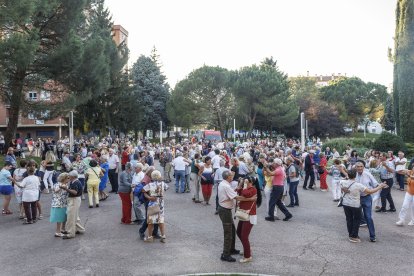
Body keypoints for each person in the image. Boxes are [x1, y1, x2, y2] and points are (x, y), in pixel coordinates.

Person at [217, 170, 256, 262]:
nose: (232, 176)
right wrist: (251, 199)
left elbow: (234, 192)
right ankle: (225, 254)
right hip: (225, 210)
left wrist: (240, 185)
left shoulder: (223, 183)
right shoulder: (226, 186)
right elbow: (237, 197)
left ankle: (231, 249)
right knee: (228, 233)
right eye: (231, 175)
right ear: (228, 177)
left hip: (224, 209)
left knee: (232, 230)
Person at [340, 169, 387, 243]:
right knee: (356, 220)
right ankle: (354, 236)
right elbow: (370, 191)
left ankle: (351, 235)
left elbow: (342, 189)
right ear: (355, 175)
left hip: (346, 204)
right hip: (355, 204)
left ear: (348, 175)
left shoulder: (342, 182)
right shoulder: (358, 185)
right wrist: (380, 186)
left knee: (349, 219)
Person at [236, 176, 262, 263]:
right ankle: (247, 248)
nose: (245, 182)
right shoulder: (246, 187)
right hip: (244, 214)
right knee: (239, 232)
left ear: (251, 182)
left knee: (244, 236)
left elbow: (245, 193)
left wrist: (245, 185)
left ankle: (248, 256)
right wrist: (240, 183)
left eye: (246, 181)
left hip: (249, 215)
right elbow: (238, 191)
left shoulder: (253, 189)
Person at [355, 161, 380, 242]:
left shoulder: (368, 174)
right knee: (356, 217)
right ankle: (355, 235)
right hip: (356, 198)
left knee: (368, 217)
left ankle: (373, 236)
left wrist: (381, 186)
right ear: (355, 167)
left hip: (366, 198)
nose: (359, 168)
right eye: (358, 166)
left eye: (361, 166)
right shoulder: (353, 174)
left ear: (363, 167)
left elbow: (375, 184)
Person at [143, 170, 168, 243]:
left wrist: (148, 197)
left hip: (152, 203)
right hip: (161, 203)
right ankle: (163, 236)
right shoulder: (163, 184)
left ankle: (150, 237)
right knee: (161, 220)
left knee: (151, 221)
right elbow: (167, 188)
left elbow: (143, 190)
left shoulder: (150, 185)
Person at [61, 170, 85, 239]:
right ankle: (80, 229)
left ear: (73, 176)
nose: (69, 177)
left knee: (71, 217)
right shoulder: (75, 182)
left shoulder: (75, 183)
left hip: (74, 200)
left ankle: (70, 233)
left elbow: (74, 192)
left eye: (69, 176)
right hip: (75, 200)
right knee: (75, 216)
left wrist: (66, 189)